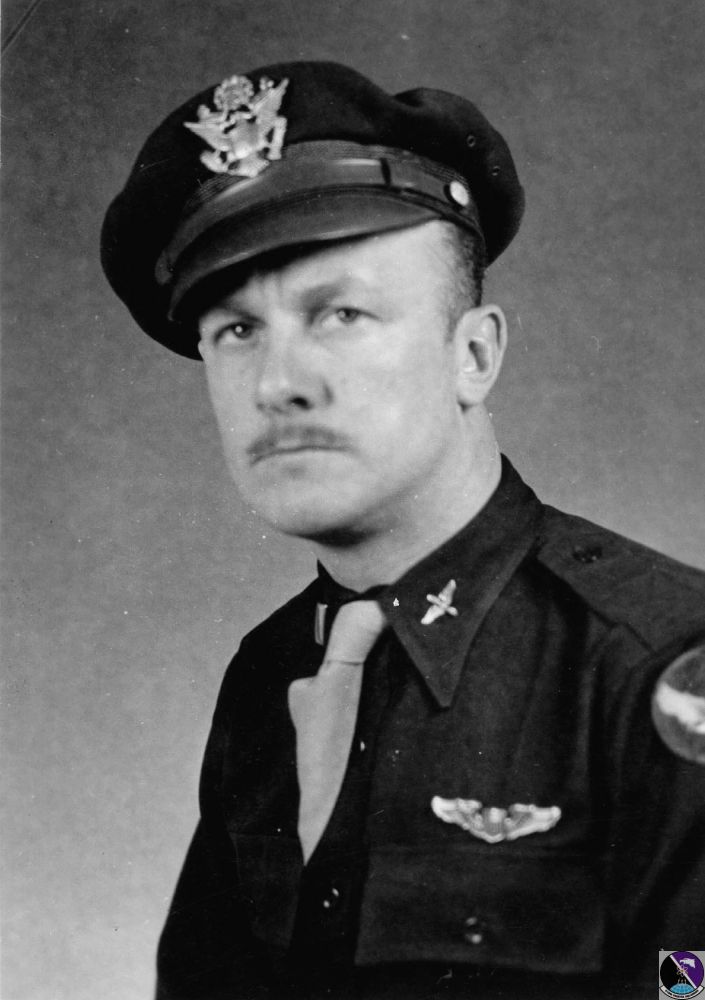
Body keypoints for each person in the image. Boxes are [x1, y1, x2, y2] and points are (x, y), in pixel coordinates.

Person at [101, 61, 705, 1000]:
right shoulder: (270, 674)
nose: (278, 383)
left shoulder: (659, 667)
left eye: (340, 313)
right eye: (236, 331)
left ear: (473, 354)